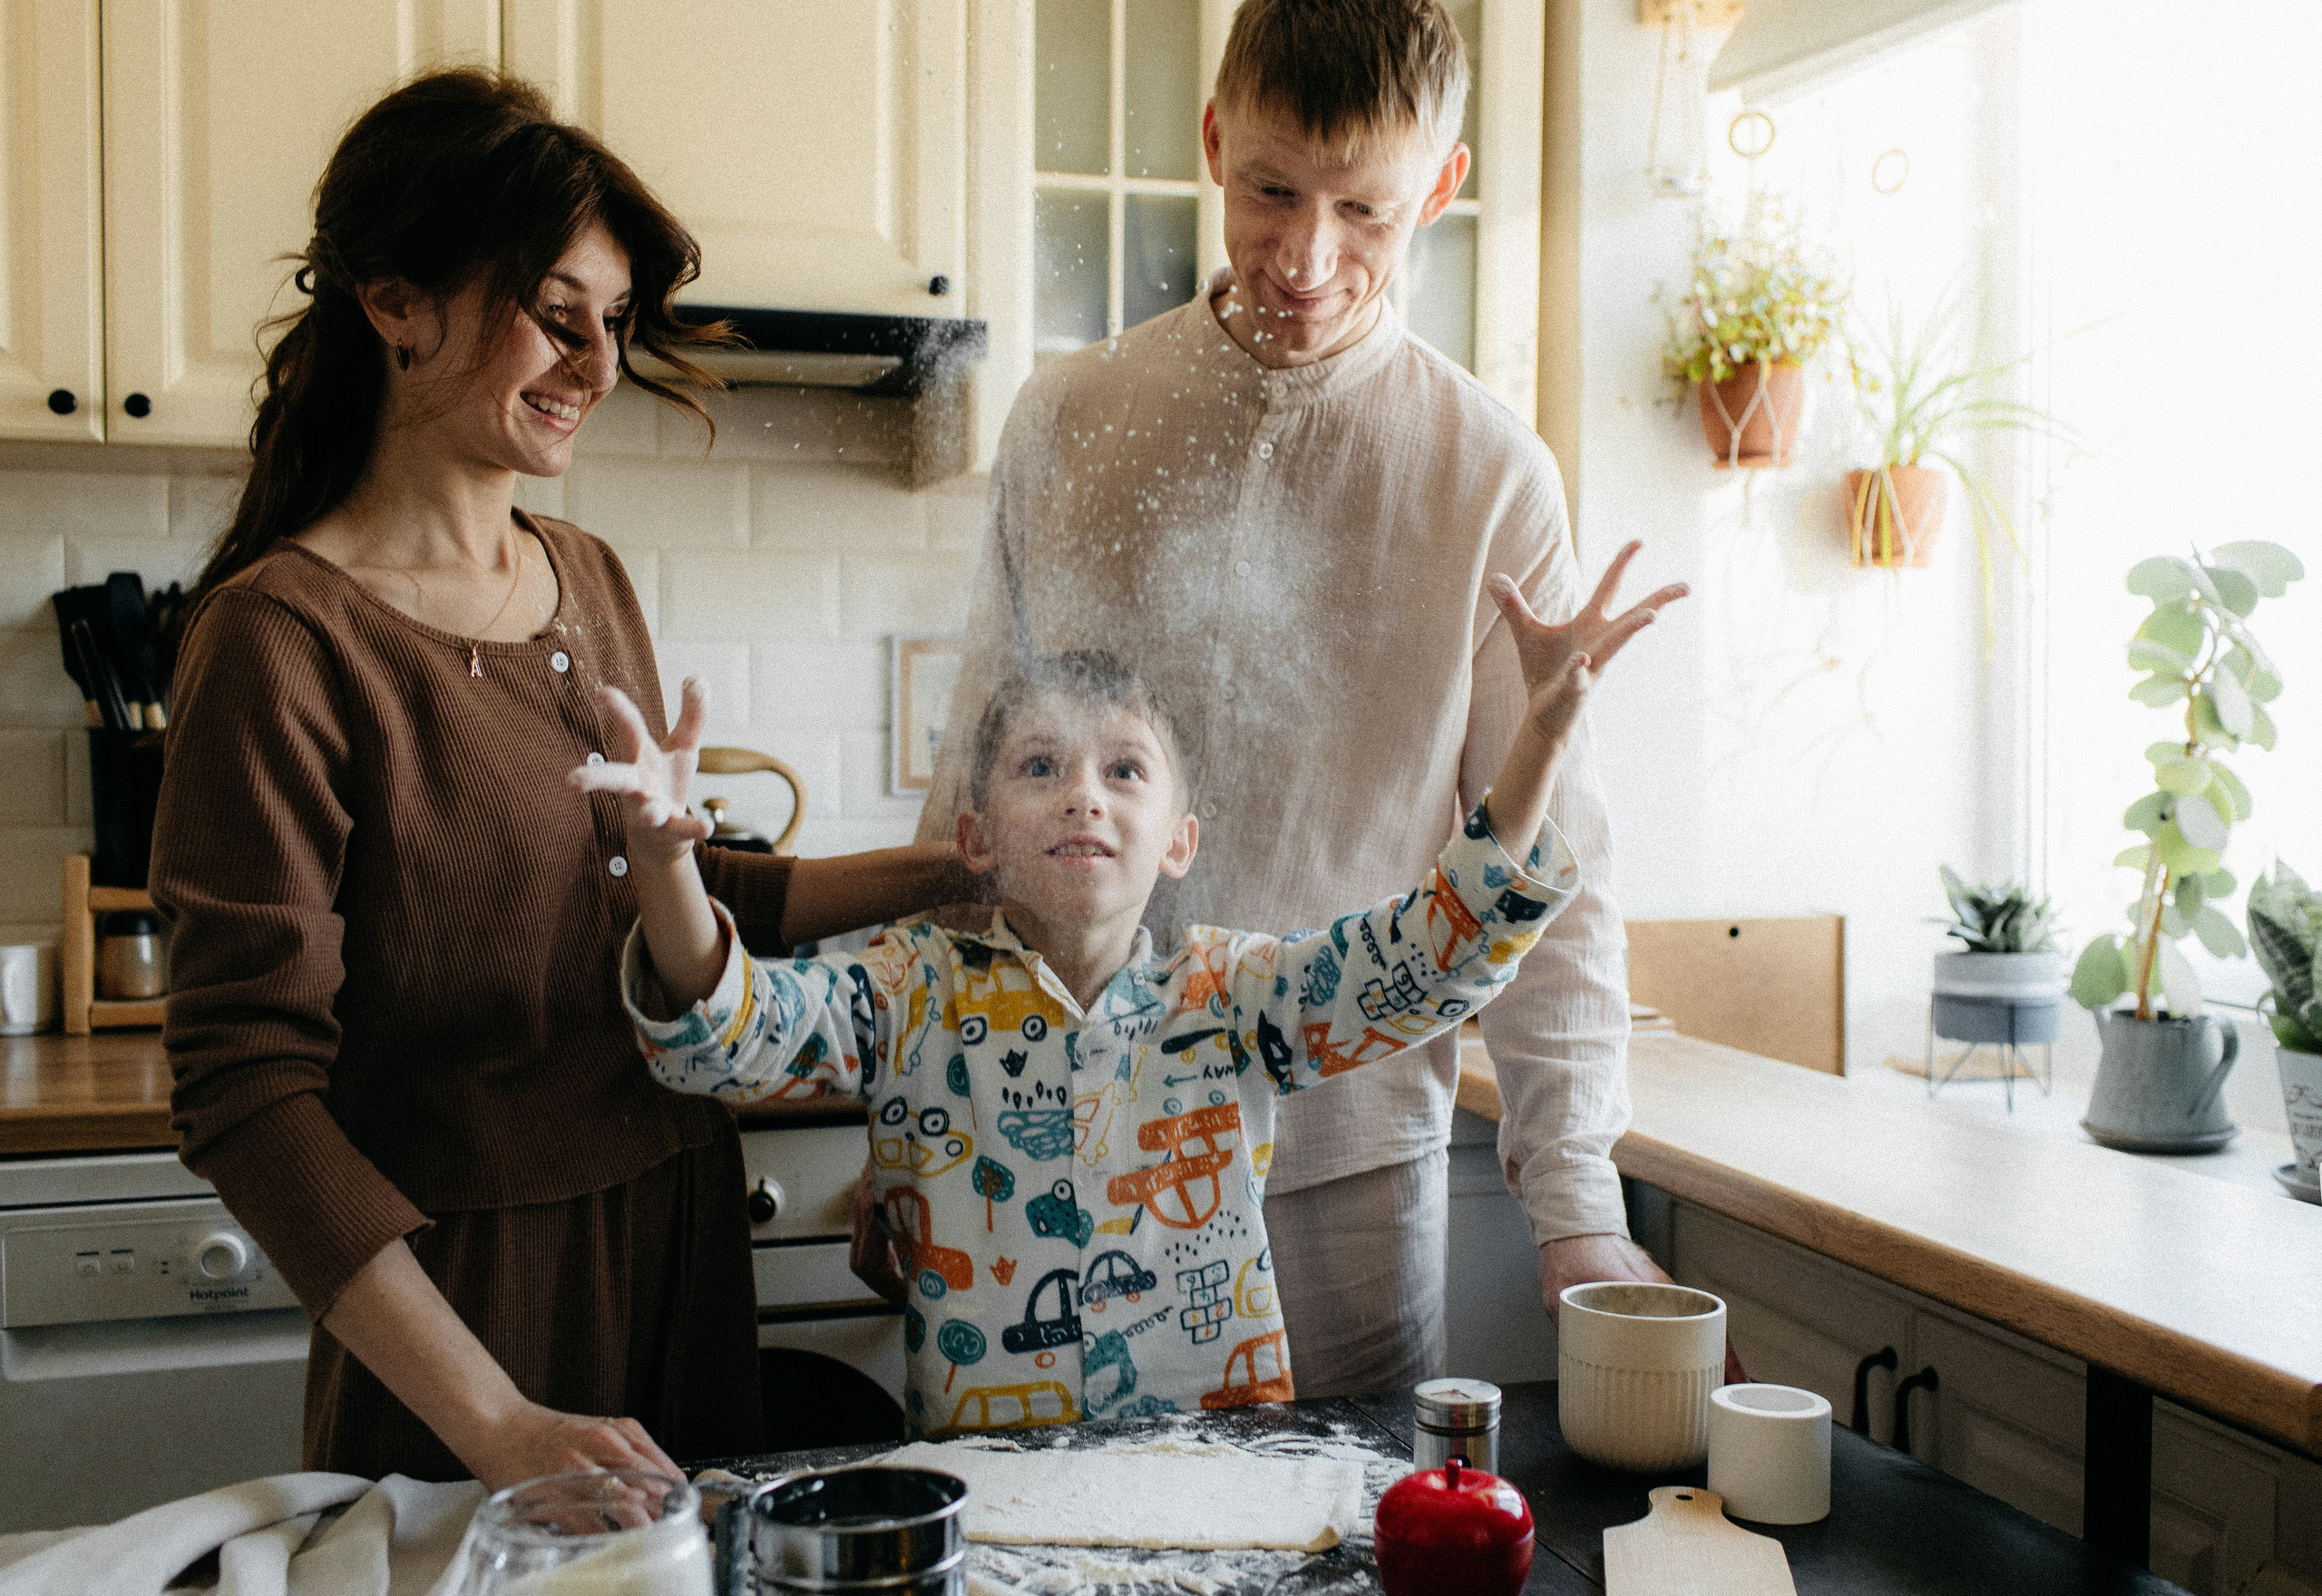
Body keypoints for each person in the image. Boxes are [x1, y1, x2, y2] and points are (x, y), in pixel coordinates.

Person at [150, 70, 968, 1488]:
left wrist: (963, 870)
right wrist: (496, 1422)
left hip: (680, 1235)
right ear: (395, 302)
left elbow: (682, 900)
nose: (596, 367)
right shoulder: (279, 642)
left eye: (615, 326)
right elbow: (248, 1096)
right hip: (469, 1305)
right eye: (556, 313)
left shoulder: (583, 581)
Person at [883, 0, 1699, 1395]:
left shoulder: (1489, 475)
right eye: (1269, 190)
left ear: (1440, 188)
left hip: (1345, 1171)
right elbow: (971, 794)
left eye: (1364, 210)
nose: (1307, 258)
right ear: (1212, 142)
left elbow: (1551, 862)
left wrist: (1576, 1201)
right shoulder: (1071, 420)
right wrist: (911, 1135)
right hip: (1039, 1147)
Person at [581, 544, 1672, 1432]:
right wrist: (667, 864)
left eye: (1124, 769)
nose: (1082, 798)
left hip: (1219, 1475)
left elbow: (1430, 952)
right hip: (994, 1491)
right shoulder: (908, 990)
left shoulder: (1235, 996)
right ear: (975, 836)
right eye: (1039, 767)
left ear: (1180, 840)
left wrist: (1540, 731)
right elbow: (729, 1032)